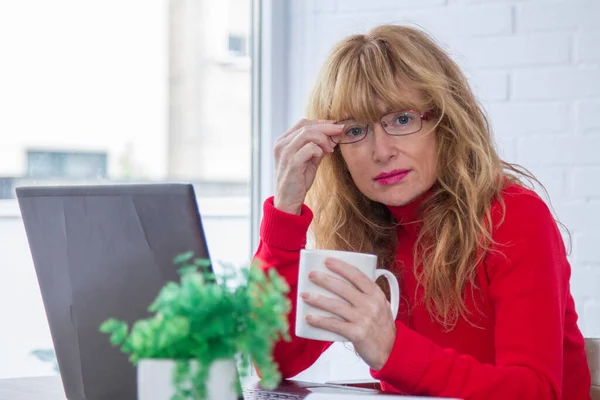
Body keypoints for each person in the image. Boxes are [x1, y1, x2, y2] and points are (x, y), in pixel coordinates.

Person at [253, 24, 591, 399]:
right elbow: (273, 362)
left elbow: (535, 391)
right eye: (355, 131)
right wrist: (285, 213)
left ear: (446, 122)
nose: (381, 152)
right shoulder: (361, 227)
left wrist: (390, 350)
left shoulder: (513, 215)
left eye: (401, 119)